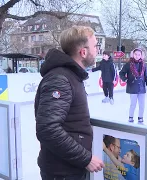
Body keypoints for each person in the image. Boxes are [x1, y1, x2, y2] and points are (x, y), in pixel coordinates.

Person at [34, 26, 104, 180]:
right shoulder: (60, 79)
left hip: (70, 168)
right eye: (95, 46)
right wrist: (86, 158)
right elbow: (48, 129)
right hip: (62, 172)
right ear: (83, 52)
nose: (97, 50)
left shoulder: (71, 76)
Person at [119, 48, 147, 123]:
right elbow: (121, 73)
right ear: (133, 55)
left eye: (139, 55)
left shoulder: (144, 65)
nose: (137, 56)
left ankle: (140, 117)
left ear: (141, 56)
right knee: (133, 104)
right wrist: (126, 79)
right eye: (135, 54)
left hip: (141, 88)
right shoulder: (128, 64)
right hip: (132, 87)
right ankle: (130, 117)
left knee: (142, 105)